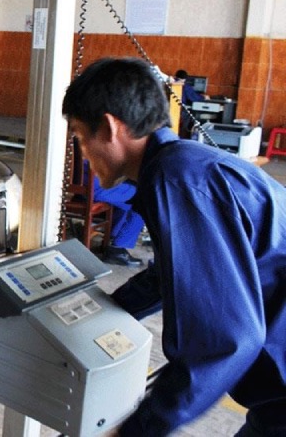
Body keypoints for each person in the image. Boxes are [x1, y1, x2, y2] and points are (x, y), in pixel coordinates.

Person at [61, 57, 286, 436]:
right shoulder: (182, 167)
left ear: (111, 127)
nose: (83, 153)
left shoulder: (177, 178)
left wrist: (138, 429)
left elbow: (223, 341)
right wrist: (105, 312)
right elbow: (172, 275)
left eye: (82, 137)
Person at [91, 169, 145, 267]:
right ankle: (117, 249)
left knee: (128, 200)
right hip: (98, 187)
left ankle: (112, 240)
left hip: (80, 186)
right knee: (145, 197)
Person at [173, 68, 205, 138]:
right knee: (189, 118)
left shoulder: (171, 82)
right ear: (185, 79)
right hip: (180, 110)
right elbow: (193, 98)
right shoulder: (184, 86)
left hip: (171, 109)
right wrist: (204, 97)